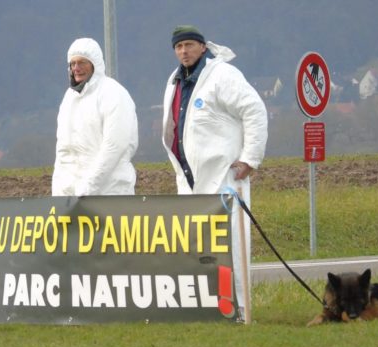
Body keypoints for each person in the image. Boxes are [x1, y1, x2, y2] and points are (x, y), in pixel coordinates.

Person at [161, 25, 268, 321]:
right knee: (199, 248)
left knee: (232, 245)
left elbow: (254, 110)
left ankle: (241, 310)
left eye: (190, 45)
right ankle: (209, 309)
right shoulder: (174, 82)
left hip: (225, 178)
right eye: (179, 47)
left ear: (203, 47)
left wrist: (250, 158)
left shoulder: (223, 76)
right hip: (191, 181)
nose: (184, 51)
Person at [52, 38, 138, 196]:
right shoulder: (69, 98)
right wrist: (59, 191)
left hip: (110, 194)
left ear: (95, 64)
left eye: (82, 62)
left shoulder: (113, 93)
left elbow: (115, 146)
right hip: (72, 198)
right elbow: (63, 149)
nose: (76, 68)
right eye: (73, 63)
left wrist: (89, 187)